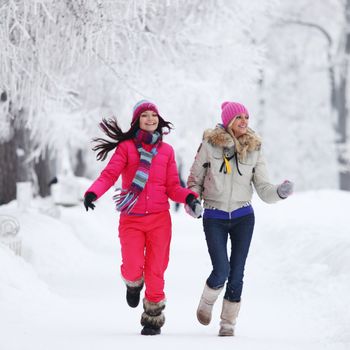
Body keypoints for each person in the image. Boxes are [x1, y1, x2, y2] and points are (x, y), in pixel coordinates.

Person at [83, 100, 202, 336]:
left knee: (156, 269)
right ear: (137, 120)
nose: (150, 119)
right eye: (145, 115)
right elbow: (110, 174)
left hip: (160, 219)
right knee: (132, 266)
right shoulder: (127, 147)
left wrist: (188, 197)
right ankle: (133, 283)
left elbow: (172, 186)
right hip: (132, 218)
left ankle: (152, 317)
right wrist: (93, 192)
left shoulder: (167, 151)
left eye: (154, 115)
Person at [187, 101, 294, 337]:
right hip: (214, 215)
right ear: (228, 121)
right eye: (239, 118)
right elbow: (195, 179)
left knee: (237, 272)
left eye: (246, 117)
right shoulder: (209, 144)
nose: (244, 121)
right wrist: (192, 201)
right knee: (221, 270)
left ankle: (228, 322)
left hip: (243, 217)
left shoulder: (254, 148)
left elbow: (264, 187)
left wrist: (279, 192)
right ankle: (207, 301)